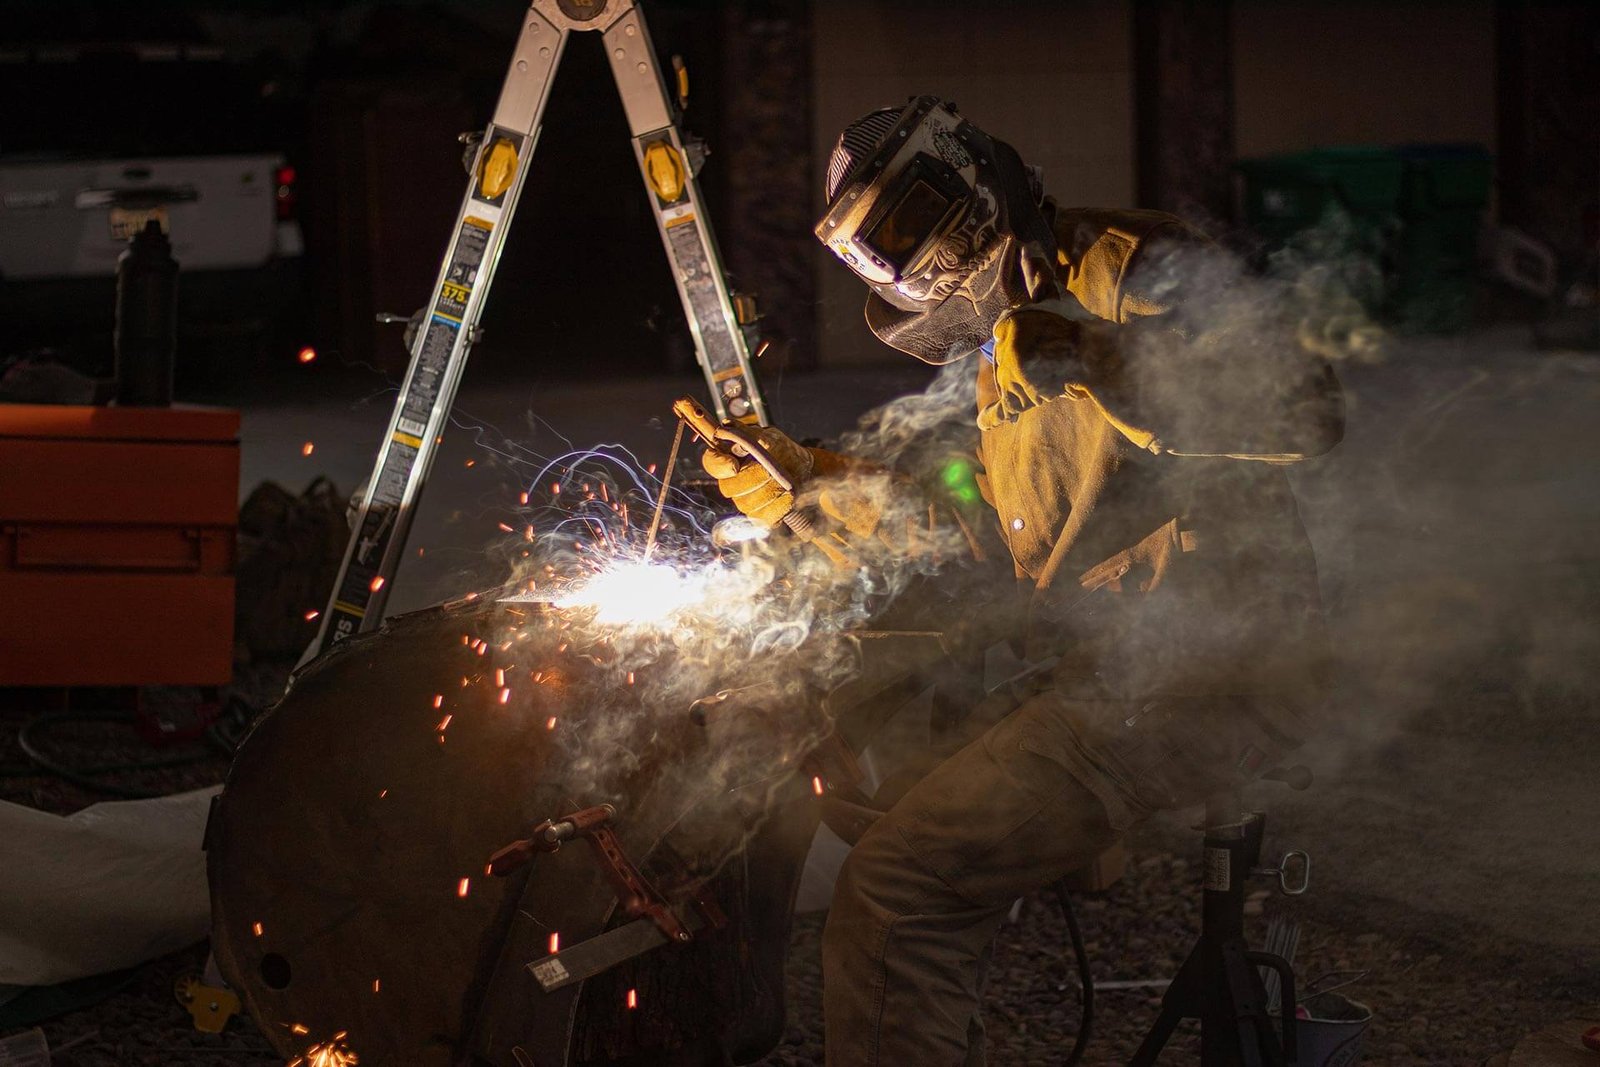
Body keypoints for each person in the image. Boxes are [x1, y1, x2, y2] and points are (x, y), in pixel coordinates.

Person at [700, 96, 1345, 1066]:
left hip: (1200, 670)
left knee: (895, 888)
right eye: (889, 257)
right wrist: (801, 487)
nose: (920, 271)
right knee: (876, 777)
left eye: (913, 230)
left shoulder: (1127, 268)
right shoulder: (1006, 338)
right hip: (1103, 662)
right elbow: (964, 523)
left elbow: (1307, 410)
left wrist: (1094, 358)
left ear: (968, 182)